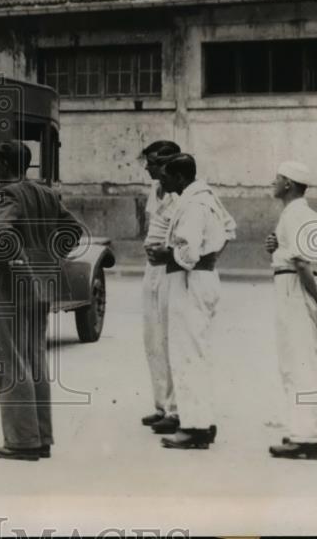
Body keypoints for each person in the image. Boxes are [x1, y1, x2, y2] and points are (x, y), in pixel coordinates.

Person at [0, 140, 83, 461]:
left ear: (3, 164)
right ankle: (41, 438)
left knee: (10, 360)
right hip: (42, 285)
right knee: (35, 359)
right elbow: (71, 229)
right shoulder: (46, 193)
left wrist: (15, 262)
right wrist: (50, 259)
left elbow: (2, 231)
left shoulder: (10, 193)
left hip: (14, 287)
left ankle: (21, 441)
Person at [147, 153, 236, 450]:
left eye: (167, 176)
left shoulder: (194, 204)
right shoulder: (207, 198)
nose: (163, 180)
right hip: (202, 280)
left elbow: (187, 253)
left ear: (181, 177)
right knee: (196, 353)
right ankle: (202, 422)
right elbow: (228, 229)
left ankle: (193, 427)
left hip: (190, 281)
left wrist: (166, 255)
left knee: (186, 354)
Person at [264, 161, 317, 460]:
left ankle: (305, 436)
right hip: (292, 285)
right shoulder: (296, 215)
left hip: (296, 288)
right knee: (297, 362)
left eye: (277, 178)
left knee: (299, 363)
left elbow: (303, 262)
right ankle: (302, 431)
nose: (273, 182)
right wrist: (276, 246)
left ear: (289, 184)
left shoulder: (298, 214)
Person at [139, 140, 181, 436]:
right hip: (151, 269)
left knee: (171, 338)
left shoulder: (184, 193)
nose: (147, 167)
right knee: (152, 337)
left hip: (171, 269)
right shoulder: (155, 191)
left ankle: (177, 409)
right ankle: (161, 406)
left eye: (152, 162)